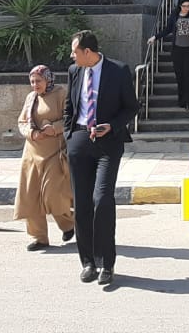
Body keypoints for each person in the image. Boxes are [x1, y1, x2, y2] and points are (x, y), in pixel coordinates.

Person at [63, 30, 137, 286]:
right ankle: (88, 262)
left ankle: (107, 262)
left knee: (102, 200)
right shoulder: (75, 71)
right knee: (82, 204)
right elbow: (69, 106)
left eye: (75, 51)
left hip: (108, 142)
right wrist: (69, 135)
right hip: (80, 139)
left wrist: (112, 126)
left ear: (87, 52)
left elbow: (131, 107)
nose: (71, 55)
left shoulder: (118, 70)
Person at [14, 65, 75, 252]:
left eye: (38, 81)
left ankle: (69, 225)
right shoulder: (31, 98)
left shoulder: (61, 94)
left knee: (52, 195)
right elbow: (22, 122)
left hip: (54, 153)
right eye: (32, 81)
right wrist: (31, 133)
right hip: (32, 153)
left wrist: (54, 129)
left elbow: (70, 119)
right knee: (30, 196)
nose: (35, 85)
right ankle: (39, 237)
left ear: (48, 80)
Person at [148, 0, 189, 111]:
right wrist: (155, 37)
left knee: (188, 74)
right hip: (177, 49)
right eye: (184, 6)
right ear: (180, 5)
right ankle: (181, 99)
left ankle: (188, 101)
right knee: (180, 76)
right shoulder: (174, 15)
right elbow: (168, 29)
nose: (187, 8)